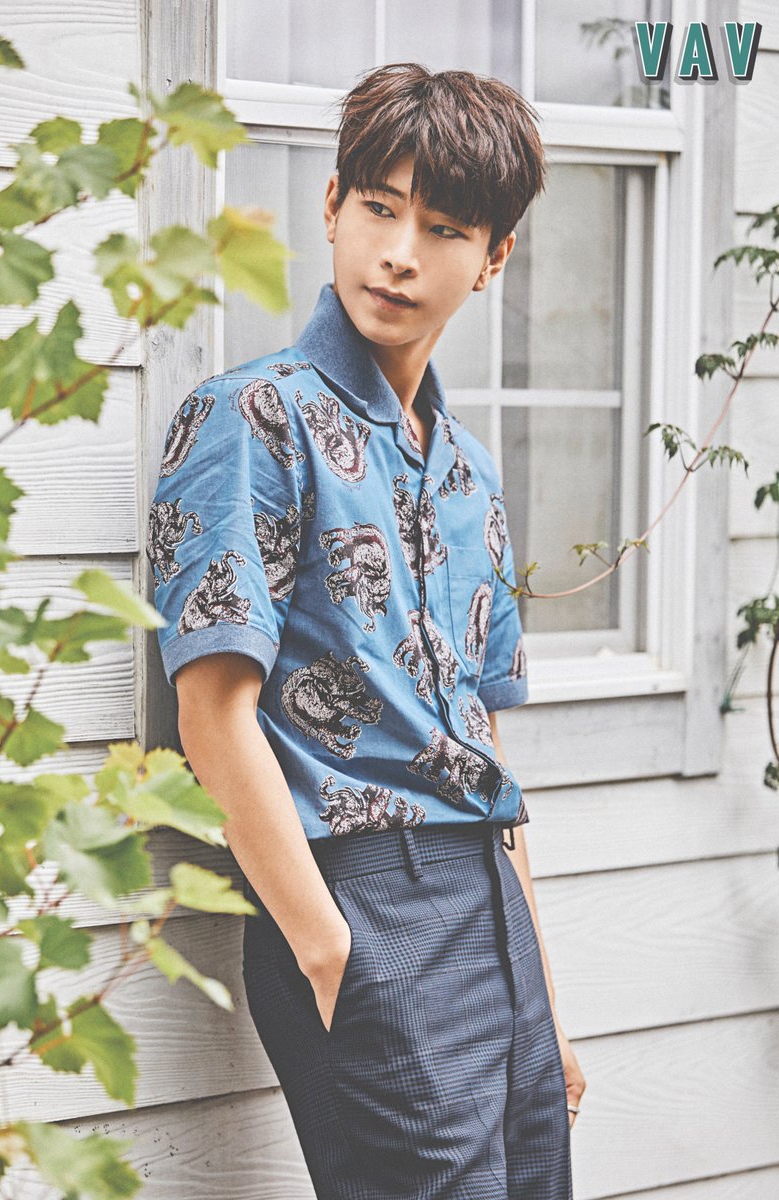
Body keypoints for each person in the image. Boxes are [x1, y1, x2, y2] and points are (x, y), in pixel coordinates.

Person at [148, 61, 586, 1200]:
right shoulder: (254, 418)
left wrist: (541, 999)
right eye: (379, 209)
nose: (398, 254)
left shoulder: (468, 469)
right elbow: (212, 710)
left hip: (490, 904)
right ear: (332, 206)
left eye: (441, 229)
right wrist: (327, 950)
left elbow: (481, 736)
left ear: (491, 258)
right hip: (365, 901)